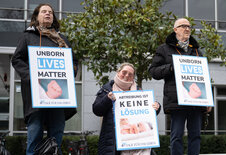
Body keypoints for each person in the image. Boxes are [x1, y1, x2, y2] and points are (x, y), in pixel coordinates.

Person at [11, 3, 78, 155]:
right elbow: (17, 60)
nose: (48, 14)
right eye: (44, 12)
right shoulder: (27, 37)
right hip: (36, 98)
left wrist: (70, 72)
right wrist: (31, 77)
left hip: (59, 100)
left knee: (56, 139)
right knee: (34, 137)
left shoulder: (63, 40)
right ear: (37, 16)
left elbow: (74, 62)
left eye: (50, 12)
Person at [148, 18, 212, 155]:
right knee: (176, 136)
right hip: (177, 101)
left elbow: (204, 78)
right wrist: (171, 67)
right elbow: (153, 71)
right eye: (183, 26)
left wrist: (209, 99)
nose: (187, 29)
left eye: (189, 26)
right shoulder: (164, 49)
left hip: (196, 101)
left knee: (195, 136)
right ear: (175, 29)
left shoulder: (197, 52)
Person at [93, 62, 161, 155]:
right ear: (118, 72)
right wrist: (107, 99)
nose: (126, 75)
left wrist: (156, 107)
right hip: (112, 142)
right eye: (124, 72)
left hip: (134, 145)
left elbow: (148, 114)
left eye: (130, 74)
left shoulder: (139, 92)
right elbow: (96, 110)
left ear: (133, 78)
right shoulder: (107, 89)